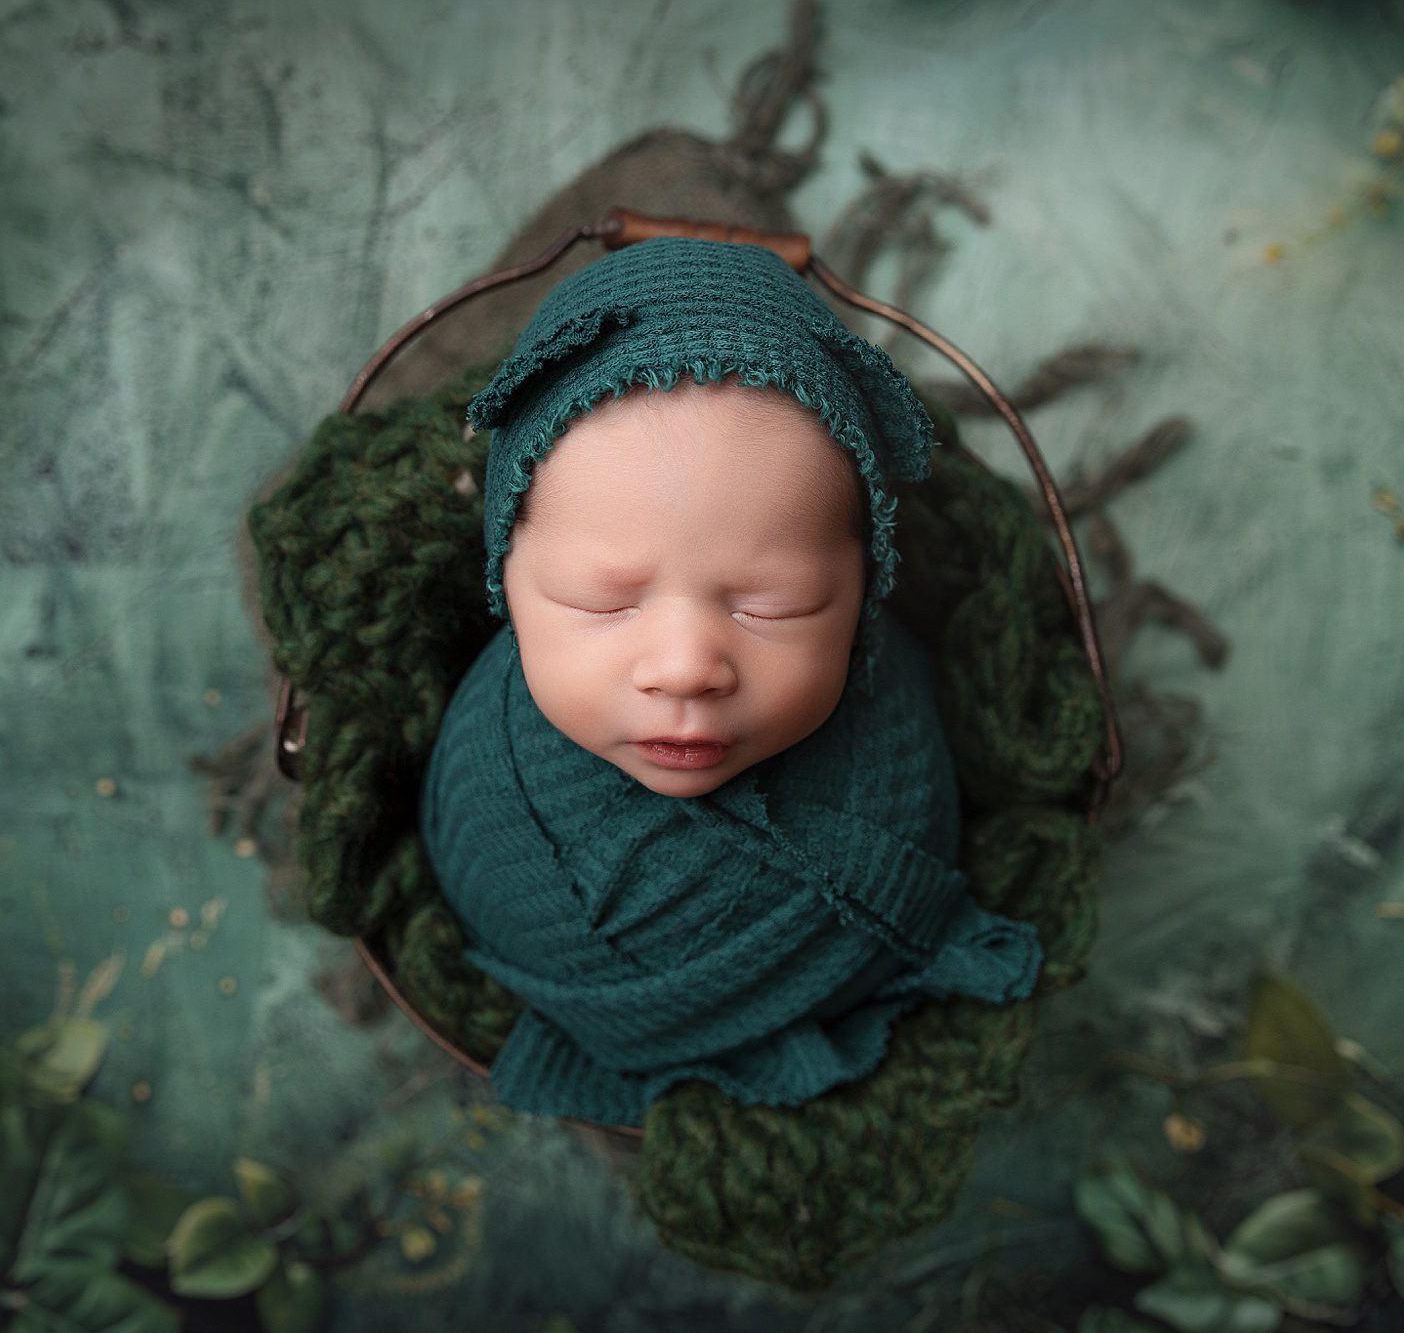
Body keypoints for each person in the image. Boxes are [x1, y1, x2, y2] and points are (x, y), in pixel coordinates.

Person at [420, 236, 1043, 1129]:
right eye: (601, 604)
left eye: (775, 607)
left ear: (865, 591)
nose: (686, 668)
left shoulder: (890, 766)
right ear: (503, 580)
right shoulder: (491, 777)